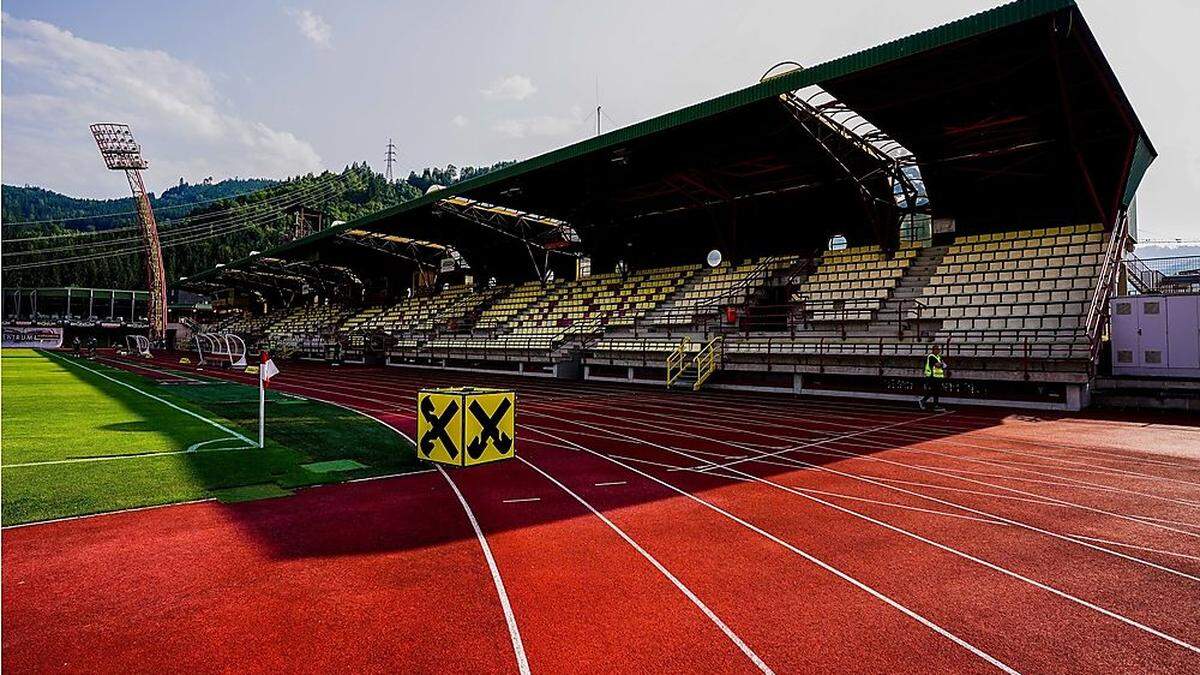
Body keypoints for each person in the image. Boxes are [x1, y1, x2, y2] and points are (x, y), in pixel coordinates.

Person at [918, 344, 948, 411]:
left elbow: (944, 365)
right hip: (931, 376)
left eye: (939, 349)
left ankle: (932, 403)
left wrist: (941, 364)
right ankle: (929, 403)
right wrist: (941, 364)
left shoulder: (938, 357)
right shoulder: (931, 356)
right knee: (934, 390)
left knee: (935, 391)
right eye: (937, 349)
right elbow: (938, 365)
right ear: (934, 350)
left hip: (937, 377)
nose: (939, 351)